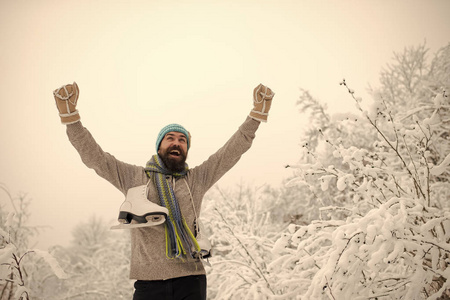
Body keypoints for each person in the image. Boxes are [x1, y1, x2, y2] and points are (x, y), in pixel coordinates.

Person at [53, 82, 275, 299]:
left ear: (186, 149)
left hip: (191, 279)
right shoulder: (135, 178)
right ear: (159, 146)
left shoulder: (195, 180)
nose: (176, 143)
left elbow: (230, 152)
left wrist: (255, 116)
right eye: (170, 138)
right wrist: (71, 119)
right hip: (149, 285)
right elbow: (96, 158)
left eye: (182, 140)